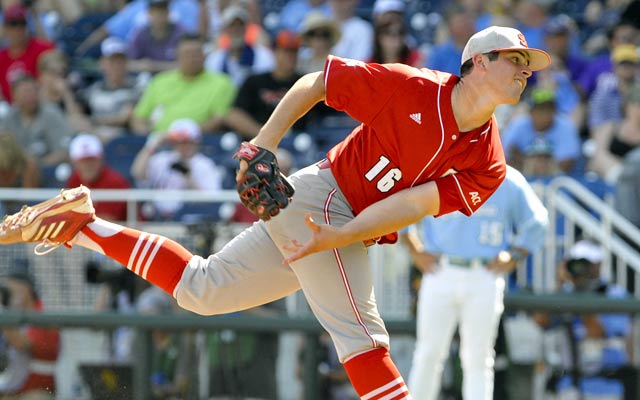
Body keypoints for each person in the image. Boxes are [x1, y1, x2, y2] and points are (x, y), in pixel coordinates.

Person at [0, 26, 550, 398]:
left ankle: (81, 224)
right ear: (478, 63)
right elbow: (318, 83)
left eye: (530, 63)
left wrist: (341, 237)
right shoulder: (413, 87)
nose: (527, 70)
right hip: (321, 194)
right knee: (361, 338)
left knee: (202, 290)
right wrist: (261, 144)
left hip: (346, 220)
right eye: (516, 59)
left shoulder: (490, 161)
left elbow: (412, 204)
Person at [401, 165, 548, 400]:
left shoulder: (506, 177)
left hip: (485, 273)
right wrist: (413, 247)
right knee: (428, 353)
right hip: (440, 270)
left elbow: (538, 221)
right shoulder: (435, 171)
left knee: (478, 358)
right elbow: (402, 207)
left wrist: (515, 254)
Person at [537, 240, 637, 400]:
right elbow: (541, 322)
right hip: (569, 385)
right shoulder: (565, 293)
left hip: (605, 385)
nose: (581, 269)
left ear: (598, 264)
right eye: (575, 263)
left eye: (586, 263)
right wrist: (558, 283)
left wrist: (582, 296)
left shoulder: (614, 295)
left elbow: (596, 333)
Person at [130, 33, 236, 135]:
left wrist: (184, 137)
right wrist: (146, 136)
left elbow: (219, 119)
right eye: (186, 54)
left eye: (195, 54)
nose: (191, 59)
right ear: (177, 56)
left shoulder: (221, 82)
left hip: (199, 142)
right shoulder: (160, 81)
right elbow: (139, 116)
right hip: (158, 141)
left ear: (204, 56)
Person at [130, 118, 223, 220]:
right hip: (156, 218)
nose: (182, 146)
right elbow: (137, 173)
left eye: (186, 141)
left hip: (187, 219)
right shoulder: (162, 159)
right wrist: (152, 144)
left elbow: (211, 200)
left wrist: (188, 176)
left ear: (195, 141)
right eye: (177, 141)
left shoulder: (205, 164)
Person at [0, 260, 60, 398]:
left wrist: (3, 311)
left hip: (36, 390)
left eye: (12, 290)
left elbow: (22, 343)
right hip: (13, 387)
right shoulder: (15, 313)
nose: (9, 296)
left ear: (25, 290)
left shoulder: (41, 314)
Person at [501, 87, 581, 177]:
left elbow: (566, 164)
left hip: (556, 182)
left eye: (548, 109)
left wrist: (524, 160)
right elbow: (505, 158)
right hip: (523, 178)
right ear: (531, 111)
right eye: (540, 109)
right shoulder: (518, 125)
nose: (545, 114)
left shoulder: (566, 126)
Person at [78, 37, 144, 142]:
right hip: (94, 137)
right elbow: (78, 116)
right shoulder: (93, 90)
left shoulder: (136, 88)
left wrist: (94, 121)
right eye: (112, 61)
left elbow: (123, 117)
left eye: (120, 61)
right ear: (102, 63)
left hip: (121, 139)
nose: (116, 66)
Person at [0, 75, 73, 167]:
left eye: (32, 91)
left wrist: (36, 167)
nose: (29, 97)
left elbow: (65, 150)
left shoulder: (51, 114)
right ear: (14, 96)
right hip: (17, 172)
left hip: (50, 170)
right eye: (24, 93)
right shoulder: (9, 119)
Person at [66, 133, 132, 221]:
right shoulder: (74, 179)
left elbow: (107, 222)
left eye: (92, 160)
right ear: (74, 162)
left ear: (101, 159)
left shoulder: (114, 181)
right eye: (83, 161)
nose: (88, 165)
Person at [0, 3, 55, 103]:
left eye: (22, 23)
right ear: (5, 28)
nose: (18, 29)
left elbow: (53, 75)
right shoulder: (1, 57)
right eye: (13, 24)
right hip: (12, 111)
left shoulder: (42, 48)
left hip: (41, 104)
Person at [126, 0, 186, 74]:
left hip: (174, 77)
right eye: (156, 11)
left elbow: (187, 64)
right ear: (149, 13)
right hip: (148, 78)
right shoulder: (141, 33)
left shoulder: (180, 32)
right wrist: (141, 65)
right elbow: (128, 63)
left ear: (168, 12)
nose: (160, 15)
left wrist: (155, 66)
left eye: (163, 11)